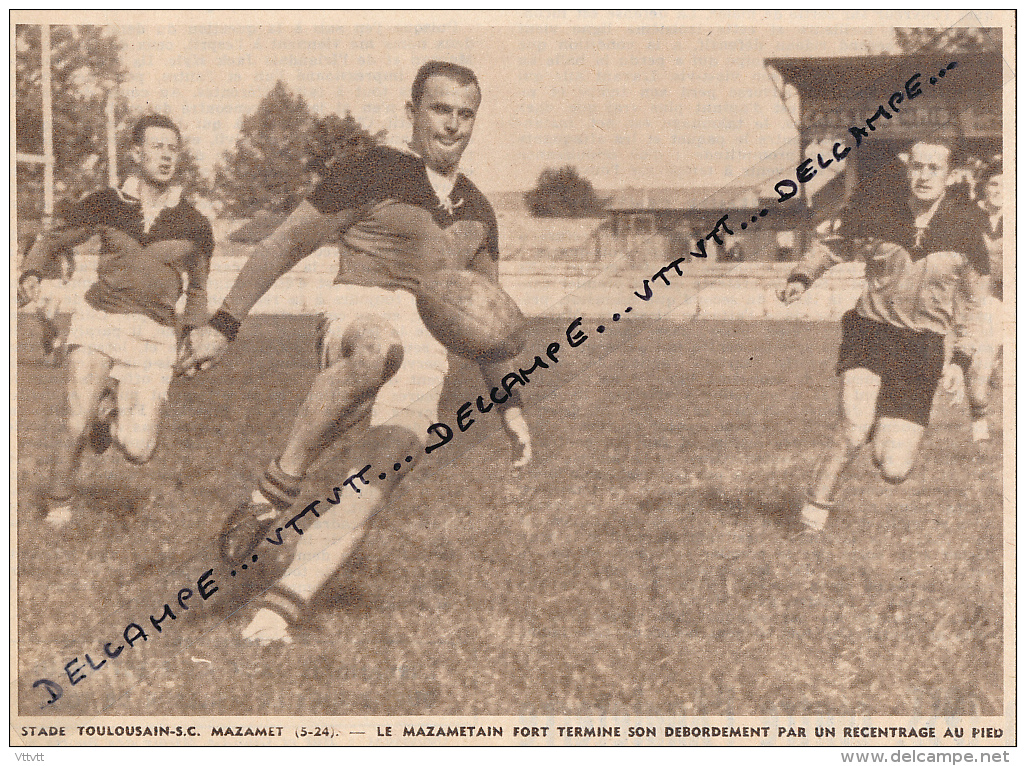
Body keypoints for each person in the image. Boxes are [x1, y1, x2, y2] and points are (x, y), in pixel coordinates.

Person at [181, 61, 532, 644]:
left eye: (464, 113)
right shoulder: (371, 170)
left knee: (379, 475)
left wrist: (511, 408)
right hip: (360, 313)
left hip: (431, 346)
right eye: (439, 109)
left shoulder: (479, 211)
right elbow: (285, 243)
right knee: (379, 347)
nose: (451, 125)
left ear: (475, 121)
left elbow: (488, 326)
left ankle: (274, 617)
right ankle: (275, 489)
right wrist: (225, 322)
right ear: (413, 112)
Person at [778, 137, 989, 533]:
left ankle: (880, 423)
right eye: (918, 166)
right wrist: (801, 277)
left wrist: (960, 359)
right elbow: (832, 247)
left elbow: (976, 305)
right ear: (908, 169)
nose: (924, 176)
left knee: (894, 469)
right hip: (871, 335)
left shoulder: (964, 229)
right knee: (851, 431)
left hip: (922, 349)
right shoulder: (879, 213)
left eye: (934, 168)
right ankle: (811, 522)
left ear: (950, 175)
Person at [19, 114, 213, 528]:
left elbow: (198, 290)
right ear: (136, 154)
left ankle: (108, 414)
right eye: (157, 147)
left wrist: (196, 339)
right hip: (100, 319)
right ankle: (58, 503)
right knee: (76, 420)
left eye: (172, 148)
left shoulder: (195, 223)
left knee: (138, 449)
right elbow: (55, 239)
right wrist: (32, 271)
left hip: (155, 335)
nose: (165, 155)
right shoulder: (107, 202)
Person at [946, 159, 1003, 442]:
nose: (1001, 190)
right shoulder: (966, 216)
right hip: (982, 303)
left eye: (1008, 185)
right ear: (983, 187)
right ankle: (979, 420)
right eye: (994, 184)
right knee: (979, 370)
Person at [19, 229, 76, 365]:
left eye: (50, 220)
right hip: (41, 282)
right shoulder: (35, 238)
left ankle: (50, 353)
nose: (48, 224)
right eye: (45, 220)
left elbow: (71, 260)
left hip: (56, 283)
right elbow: (27, 257)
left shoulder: (62, 239)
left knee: (48, 317)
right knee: (41, 315)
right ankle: (57, 342)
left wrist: (68, 276)